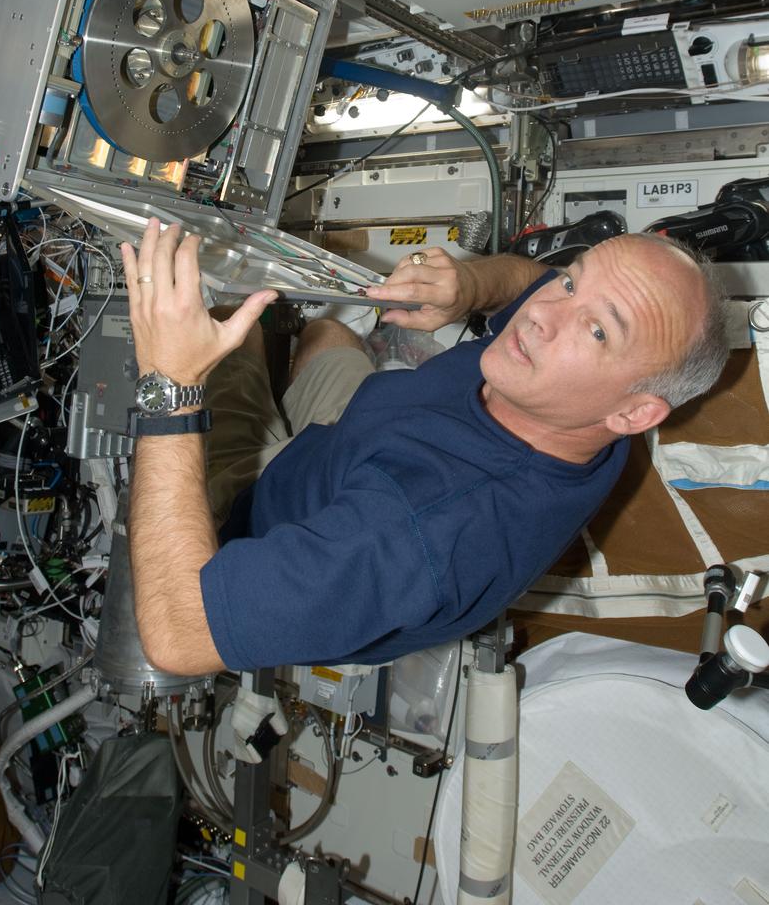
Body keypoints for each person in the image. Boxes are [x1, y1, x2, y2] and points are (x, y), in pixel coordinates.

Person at [120, 220, 728, 676]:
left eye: (597, 329)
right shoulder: (586, 398)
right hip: (352, 443)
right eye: (575, 281)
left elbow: (179, 638)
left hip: (266, 522)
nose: (542, 315)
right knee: (328, 332)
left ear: (634, 413)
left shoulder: (422, 532)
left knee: (225, 319)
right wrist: (467, 286)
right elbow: (531, 281)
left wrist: (171, 383)